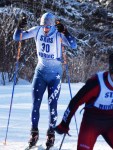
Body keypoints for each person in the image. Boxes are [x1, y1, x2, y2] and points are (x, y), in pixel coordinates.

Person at [55, 52, 113, 150]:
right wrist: (64, 124)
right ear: (111, 71)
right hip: (91, 122)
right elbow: (75, 102)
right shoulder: (96, 84)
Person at [13, 12, 77, 148]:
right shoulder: (37, 30)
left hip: (55, 76)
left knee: (52, 105)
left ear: (53, 25)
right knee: (35, 104)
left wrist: (65, 31)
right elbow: (17, 38)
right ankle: (34, 133)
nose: (46, 29)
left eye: (48, 26)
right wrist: (19, 27)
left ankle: (51, 134)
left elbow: (73, 45)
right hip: (40, 73)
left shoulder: (58, 34)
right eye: (44, 26)